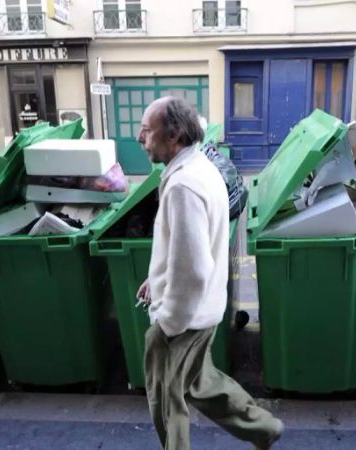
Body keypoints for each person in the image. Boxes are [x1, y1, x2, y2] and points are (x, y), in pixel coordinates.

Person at [136, 96, 283, 450]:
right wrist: (157, 280)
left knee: (167, 401)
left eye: (147, 131)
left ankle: (259, 428)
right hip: (203, 310)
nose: (141, 139)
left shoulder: (184, 186)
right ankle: (262, 427)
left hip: (185, 319)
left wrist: (169, 323)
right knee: (201, 384)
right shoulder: (200, 168)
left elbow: (194, 269)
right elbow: (186, 250)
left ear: (173, 137)